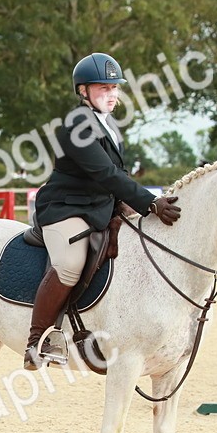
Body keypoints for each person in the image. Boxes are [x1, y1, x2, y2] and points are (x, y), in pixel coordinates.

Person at [24, 52, 182, 370]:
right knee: (70, 264)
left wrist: (132, 205)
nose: (111, 95)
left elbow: (116, 176)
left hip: (99, 207)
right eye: (103, 88)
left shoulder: (108, 125)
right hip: (66, 209)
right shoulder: (76, 125)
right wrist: (150, 202)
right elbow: (106, 174)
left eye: (114, 88)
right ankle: (37, 341)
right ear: (83, 91)